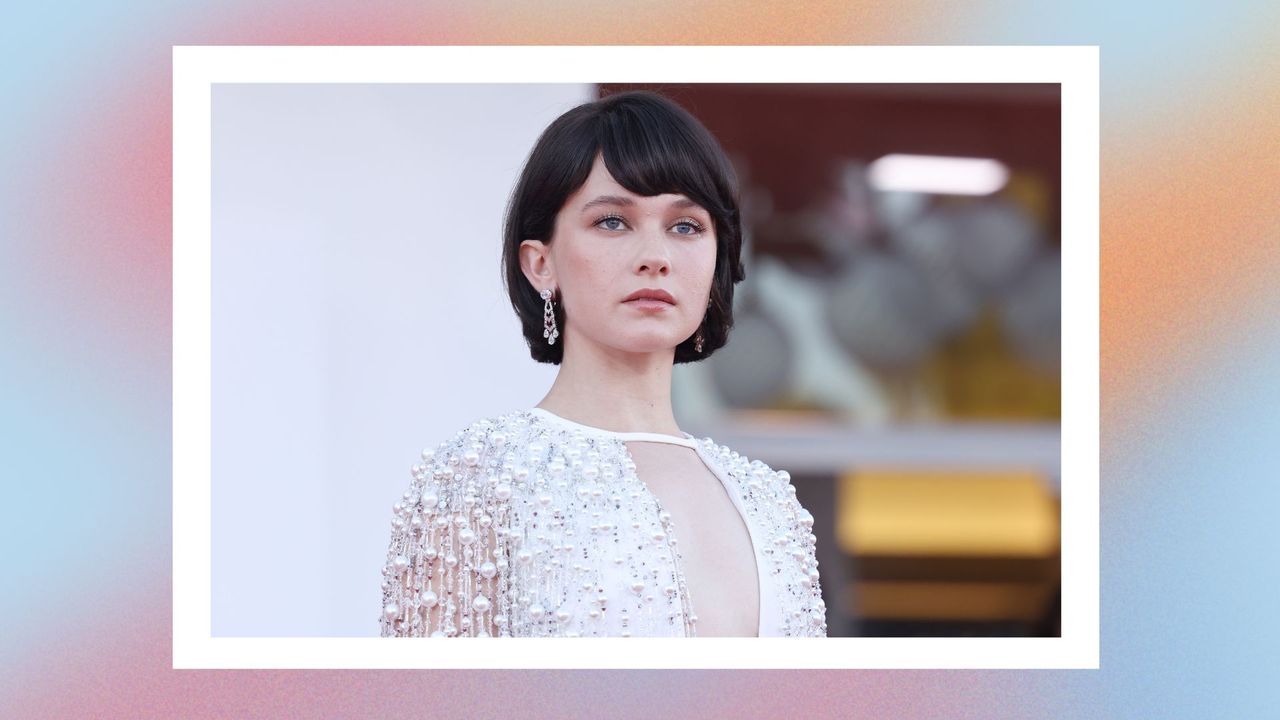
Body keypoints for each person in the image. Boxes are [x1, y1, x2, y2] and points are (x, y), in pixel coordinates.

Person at [380, 90, 826, 637]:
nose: (655, 257)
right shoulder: (474, 481)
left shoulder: (771, 502)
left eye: (686, 226)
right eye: (614, 221)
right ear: (540, 263)